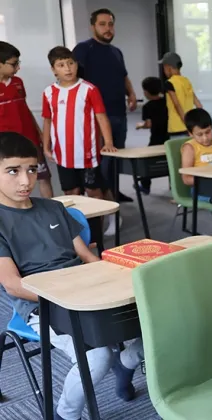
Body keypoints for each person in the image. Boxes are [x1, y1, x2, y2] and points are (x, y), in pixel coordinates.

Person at [0, 132, 142, 420]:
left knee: (159, 326)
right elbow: (14, 286)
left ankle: (126, 363)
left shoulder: (53, 208)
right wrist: (69, 297)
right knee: (97, 357)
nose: (26, 180)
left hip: (88, 293)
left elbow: (88, 258)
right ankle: (66, 414)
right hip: (43, 305)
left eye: (31, 169)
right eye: (13, 171)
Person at [73, 8, 137, 203]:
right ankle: (102, 199)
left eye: (110, 24)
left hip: (119, 112)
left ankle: (114, 192)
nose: (107, 28)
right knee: (101, 162)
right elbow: (75, 80)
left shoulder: (116, 52)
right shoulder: (83, 49)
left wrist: (132, 93)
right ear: (93, 26)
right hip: (96, 117)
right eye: (102, 24)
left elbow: (123, 75)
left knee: (116, 158)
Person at [41, 47, 118, 202]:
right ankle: (78, 225)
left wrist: (108, 142)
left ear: (77, 64)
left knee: (93, 190)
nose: (68, 68)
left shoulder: (89, 90)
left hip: (87, 153)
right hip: (62, 153)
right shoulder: (49, 92)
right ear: (53, 70)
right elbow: (48, 121)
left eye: (71, 63)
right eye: (61, 65)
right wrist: (45, 146)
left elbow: (102, 118)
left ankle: (104, 222)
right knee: (71, 192)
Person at [0, 41, 54, 198]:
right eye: (13, 64)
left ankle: (52, 212)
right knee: (10, 182)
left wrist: (40, 134)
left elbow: (25, 109)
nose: (18, 68)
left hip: (30, 140)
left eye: (18, 63)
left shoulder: (18, 83)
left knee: (43, 177)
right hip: (6, 146)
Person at [180, 108, 212, 238]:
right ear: (190, 133)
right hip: (200, 190)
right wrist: (209, 181)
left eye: (208, 132)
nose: (205, 138)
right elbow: (186, 179)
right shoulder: (190, 148)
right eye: (199, 134)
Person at [136, 76, 169, 194]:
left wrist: (141, 126)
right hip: (169, 137)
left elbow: (149, 124)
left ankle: (145, 186)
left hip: (156, 138)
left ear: (146, 92)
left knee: (147, 161)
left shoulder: (147, 106)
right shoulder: (167, 102)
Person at [160, 52, 202, 139]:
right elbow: (198, 104)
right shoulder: (186, 81)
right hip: (190, 127)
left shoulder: (169, 83)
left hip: (176, 128)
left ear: (168, 67)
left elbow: (177, 105)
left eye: (163, 68)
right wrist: (196, 124)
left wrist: (186, 123)